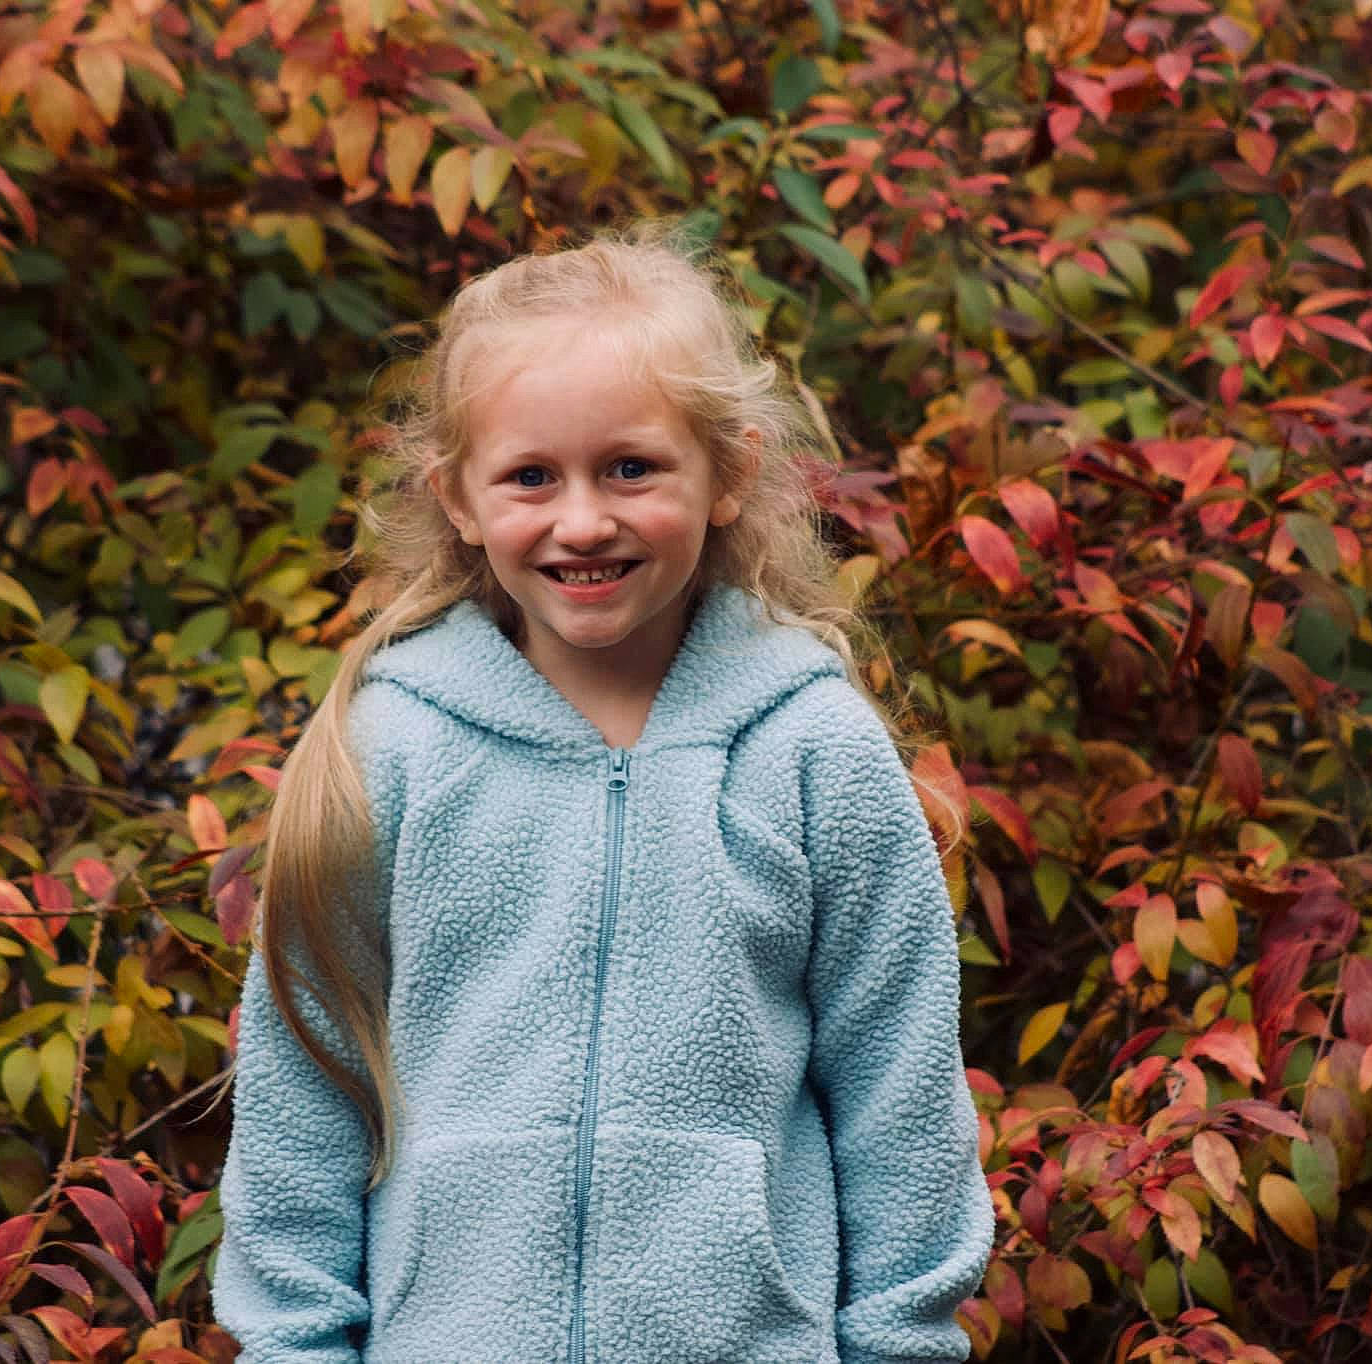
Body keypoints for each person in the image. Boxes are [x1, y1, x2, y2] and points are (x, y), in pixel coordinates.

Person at [208, 223, 994, 1364]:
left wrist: (900, 1344)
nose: (582, 520)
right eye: (531, 476)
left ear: (726, 473)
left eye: (630, 467)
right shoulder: (390, 749)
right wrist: (293, 1346)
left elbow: (901, 1101)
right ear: (460, 498)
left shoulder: (812, 748)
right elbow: (301, 1098)